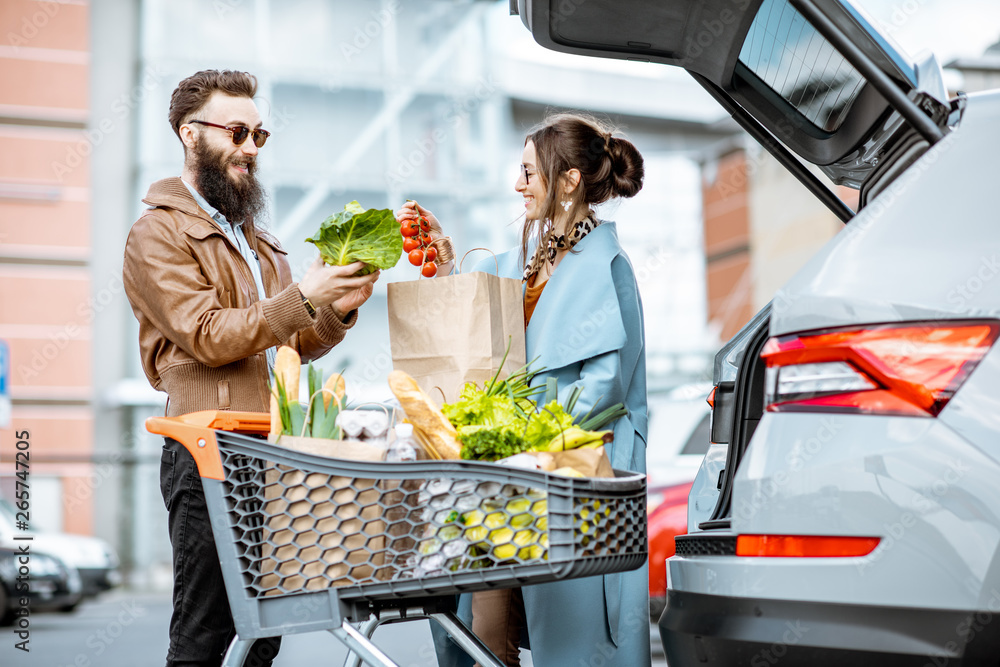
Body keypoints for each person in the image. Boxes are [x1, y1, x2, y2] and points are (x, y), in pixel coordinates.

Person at [123, 69, 379, 667]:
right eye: (237, 133)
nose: (249, 149)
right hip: (206, 448)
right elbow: (209, 337)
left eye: (259, 137)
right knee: (206, 631)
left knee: (263, 632)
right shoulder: (157, 233)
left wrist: (336, 311)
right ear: (190, 134)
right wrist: (304, 298)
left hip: (271, 452)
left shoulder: (256, 241)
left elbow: (287, 343)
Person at [396, 113, 649, 667]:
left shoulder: (608, 267)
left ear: (569, 181)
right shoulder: (527, 263)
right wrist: (445, 258)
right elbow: (482, 311)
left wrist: (526, 448)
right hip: (512, 480)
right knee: (487, 624)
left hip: (574, 479)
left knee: (573, 640)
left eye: (529, 172)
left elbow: (603, 391)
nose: (518, 185)